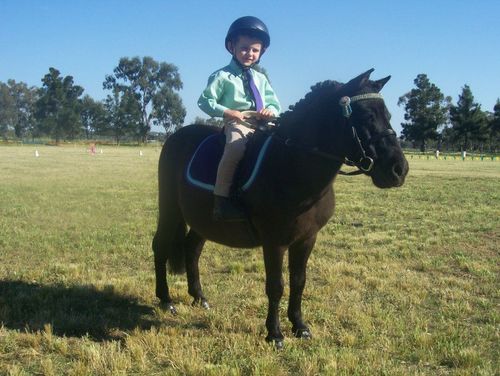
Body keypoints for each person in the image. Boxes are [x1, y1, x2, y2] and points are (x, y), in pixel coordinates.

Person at [198, 16, 281, 222]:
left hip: (262, 122)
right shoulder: (222, 76)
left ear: (262, 52)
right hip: (238, 122)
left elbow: (274, 103)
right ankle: (221, 201)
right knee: (235, 147)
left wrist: (270, 110)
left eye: (254, 50)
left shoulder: (261, 78)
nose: (249, 54)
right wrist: (228, 112)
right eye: (244, 48)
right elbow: (205, 101)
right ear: (232, 46)